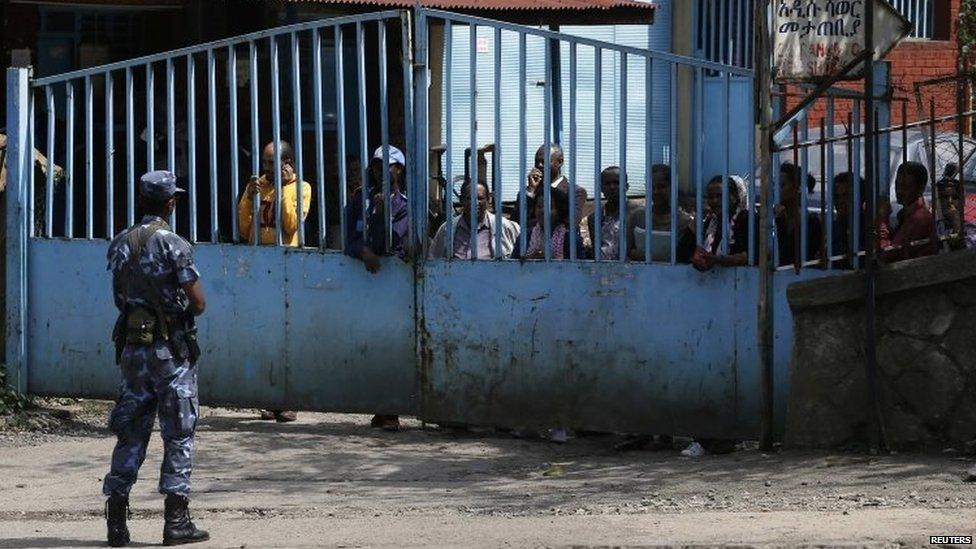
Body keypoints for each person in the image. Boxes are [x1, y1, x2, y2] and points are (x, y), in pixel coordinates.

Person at [104, 170, 209, 547]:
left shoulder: (119, 243)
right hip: (170, 353)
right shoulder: (174, 244)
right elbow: (197, 302)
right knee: (179, 431)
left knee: (131, 430)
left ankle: (116, 520)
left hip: (133, 350)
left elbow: (119, 299)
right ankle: (176, 520)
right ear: (170, 203)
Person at [237, 140, 311, 423]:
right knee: (264, 335)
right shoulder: (257, 187)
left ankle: (289, 400)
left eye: (272, 163)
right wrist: (249, 198)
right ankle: (269, 398)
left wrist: (281, 189)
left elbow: (291, 225)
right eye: (265, 163)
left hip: (286, 266)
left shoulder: (301, 188)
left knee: (288, 338)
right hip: (259, 264)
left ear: (287, 162)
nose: (266, 169)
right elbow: (244, 228)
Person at [345, 145, 411, 432]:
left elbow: (400, 243)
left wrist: (383, 214)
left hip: (394, 285)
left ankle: (390, 410)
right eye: (375, 166)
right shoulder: (361, 199)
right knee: (368, 345)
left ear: (398, 170)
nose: (379, 171)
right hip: (364, 285)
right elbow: (350, 239)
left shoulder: (406, 204)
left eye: (386, 166)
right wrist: (365, 252)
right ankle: (378, 406)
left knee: (393, 346)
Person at [429, 178, 520, 259]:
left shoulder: (506, 227)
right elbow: (433, 262)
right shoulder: (446, 229)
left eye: (480, 198)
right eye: (469, 198)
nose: (475, 203)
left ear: (488, 200)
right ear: (461, 200)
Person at [627, 164, 696, 263]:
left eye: (661, 187)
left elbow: (684, 258)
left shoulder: (685, 221)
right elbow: (627, 251)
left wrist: (645, 256)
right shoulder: (637, 216)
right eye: (651, 187)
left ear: (672, 187)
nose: (655, 192)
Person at [878, 161, 937, 262]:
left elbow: (887, 254)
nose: (899, 191)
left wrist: (882, 219)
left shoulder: (919, 218)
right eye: (898, 185)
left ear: (921, 189)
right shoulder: (908, 212)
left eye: (905, 187)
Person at [692, 175, 752, 271]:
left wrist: (717, 260)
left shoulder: (747, 219)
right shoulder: (710, 222)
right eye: (710, 197)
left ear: (735, 197)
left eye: (720, 196)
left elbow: (752, 255)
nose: (715, 201)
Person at [517, 184, 585, 261]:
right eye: (539, 206)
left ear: (560, 211)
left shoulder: (571, 239)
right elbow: (512, 266)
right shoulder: (525, 236)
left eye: (549, 207)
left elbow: (581, 269)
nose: (543, 211)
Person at [526, 144, 587, 229]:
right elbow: (516, 221)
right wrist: (531, 190)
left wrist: (531, 223)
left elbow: (570, 224)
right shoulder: (531, 191)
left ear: (560, 162)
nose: (539, 165)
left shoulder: (575, 192)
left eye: (544, 161)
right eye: (537, 162)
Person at [583, 166, 638, 261]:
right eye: (607, 183)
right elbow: (596, 252)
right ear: (601, 188)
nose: (612, 187)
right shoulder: (595, 218)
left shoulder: (638, 213)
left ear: (626, 186)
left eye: (616, 183)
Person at [775, 162, 823, 267]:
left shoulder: (811, 223)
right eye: (776, 185)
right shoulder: (774, 219)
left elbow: (788, 257)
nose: (777, 190)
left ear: (798, 189)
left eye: (782, 185)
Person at [831, 172, 868, 267]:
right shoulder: (834, 227)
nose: (840, 201)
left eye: (846, 196)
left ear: (861, 198)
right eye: (837, 196)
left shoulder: (869, 228)